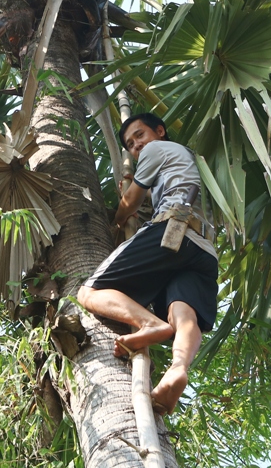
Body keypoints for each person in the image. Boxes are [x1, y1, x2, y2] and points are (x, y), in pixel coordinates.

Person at [77, 113, 218, 415]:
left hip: (173, 230)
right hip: (204, 248)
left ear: (160, 131)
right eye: (130, 143)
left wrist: (116, 221)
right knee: (183, 310)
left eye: (140, 135)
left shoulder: (157, 150)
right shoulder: (190, 162)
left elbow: (130, 202)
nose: (136, 145)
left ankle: (150, 323)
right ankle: (178, 368)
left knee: (88, 292)